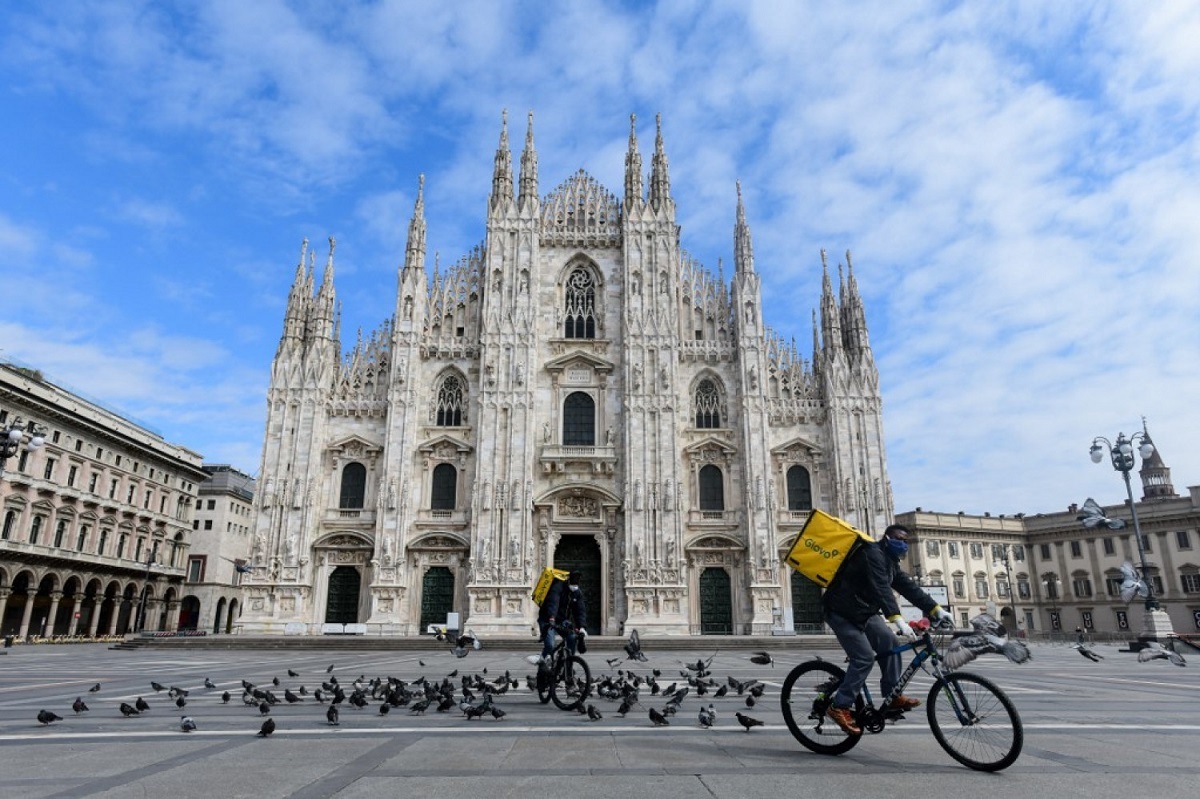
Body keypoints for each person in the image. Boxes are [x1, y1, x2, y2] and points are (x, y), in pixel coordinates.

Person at [821, 523, 951, 735]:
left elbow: (909, 588)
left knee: (889, 643)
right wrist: (897, 618)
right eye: (900, 539)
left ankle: (892, 696)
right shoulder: (872, 553)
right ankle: (839, 706)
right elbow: (881, 587)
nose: (904, 544)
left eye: (906, 541)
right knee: (863, 658)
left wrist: (935, 609)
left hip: (864, 611)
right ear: (888, 538)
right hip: (841, 610)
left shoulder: (890, 562)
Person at [526, 570, 587, 668]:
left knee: (572, 639)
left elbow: (580, 610)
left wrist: (582, 627)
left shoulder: (576, 592)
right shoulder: (558, 586)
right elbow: (553, 602)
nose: (575, 585)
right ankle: (543, 659)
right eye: (573, 582)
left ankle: (568, 669)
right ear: (568, 580)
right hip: (547, 619)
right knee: (550, 644)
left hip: (562, 620)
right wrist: (552, 617)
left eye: (577, 583)